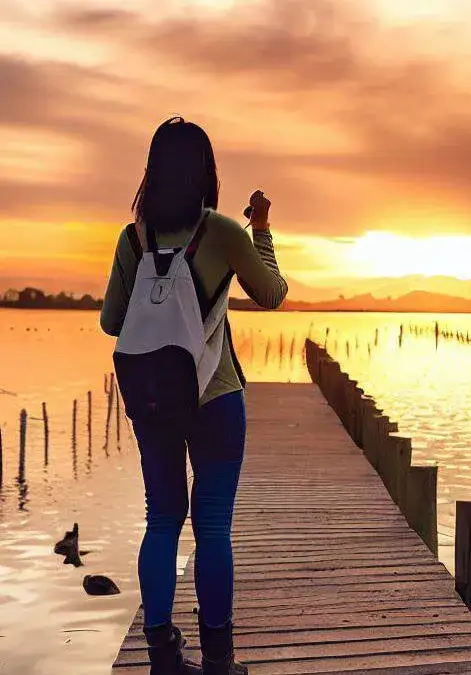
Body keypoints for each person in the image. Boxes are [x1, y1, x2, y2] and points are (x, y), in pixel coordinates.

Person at [101, 117, 288, 675]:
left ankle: (162, 657)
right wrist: (262, 229)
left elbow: (113, 322)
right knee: (212, 527)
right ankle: (219, 662)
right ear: (207, 172)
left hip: (153, 399)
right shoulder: (224, 232)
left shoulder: (132, 239)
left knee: (161, 519)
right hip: (216, 397)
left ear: (152, 173)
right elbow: (272, 294)